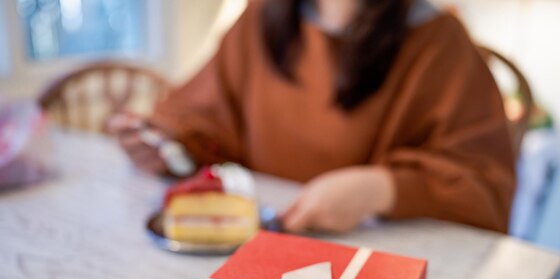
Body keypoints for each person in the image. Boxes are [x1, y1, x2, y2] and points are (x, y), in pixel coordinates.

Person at [109, 0, 516, 234]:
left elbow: (483, 183)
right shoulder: (259, 18)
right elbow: (204, 122)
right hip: (254, 247)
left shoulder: (438, 43)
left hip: (374, 269)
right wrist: (165, 149)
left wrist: (382, 189)